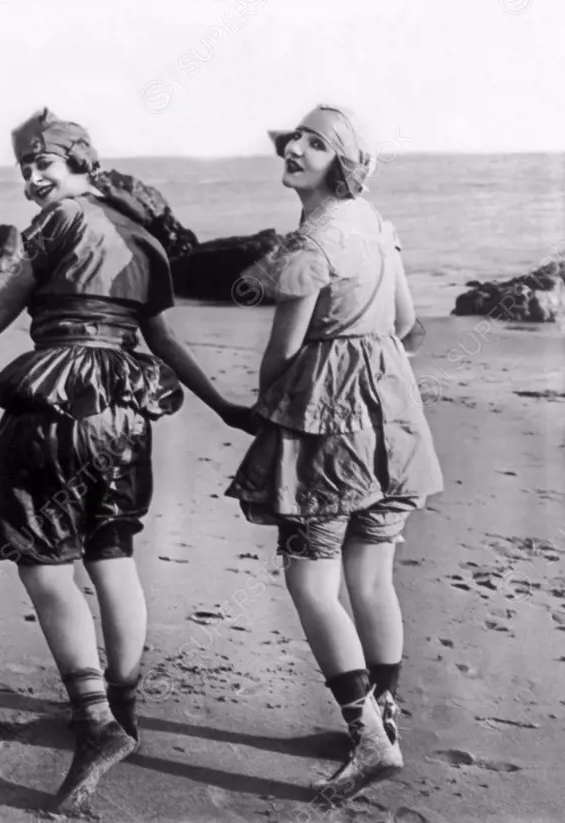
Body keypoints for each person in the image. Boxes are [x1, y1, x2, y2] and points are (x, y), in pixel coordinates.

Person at [0, 108, 255, 813]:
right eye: (26, 168)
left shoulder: (61, 218)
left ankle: (96, 722)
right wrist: (223, 404)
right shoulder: (143, 237)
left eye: (44, 163)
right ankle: (126, 712)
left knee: (42, 561)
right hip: (128, 409)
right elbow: (160, 338)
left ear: (82, 163)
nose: (33, 178)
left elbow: (7, 301)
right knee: (111, 554)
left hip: (58, 401)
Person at [225, 104, 444, 804]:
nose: (294, 148)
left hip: (327, 423)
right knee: (373, 578)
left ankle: (368, 736)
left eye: (314, 143)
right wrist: (368, 357)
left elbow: (283, 353)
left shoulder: (311, 243)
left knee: (311, 581)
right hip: (395, 419)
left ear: (339, 162)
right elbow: (408, 323)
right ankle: (383, 717)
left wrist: (271, 412)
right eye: (293, 138)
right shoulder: (378, 227)